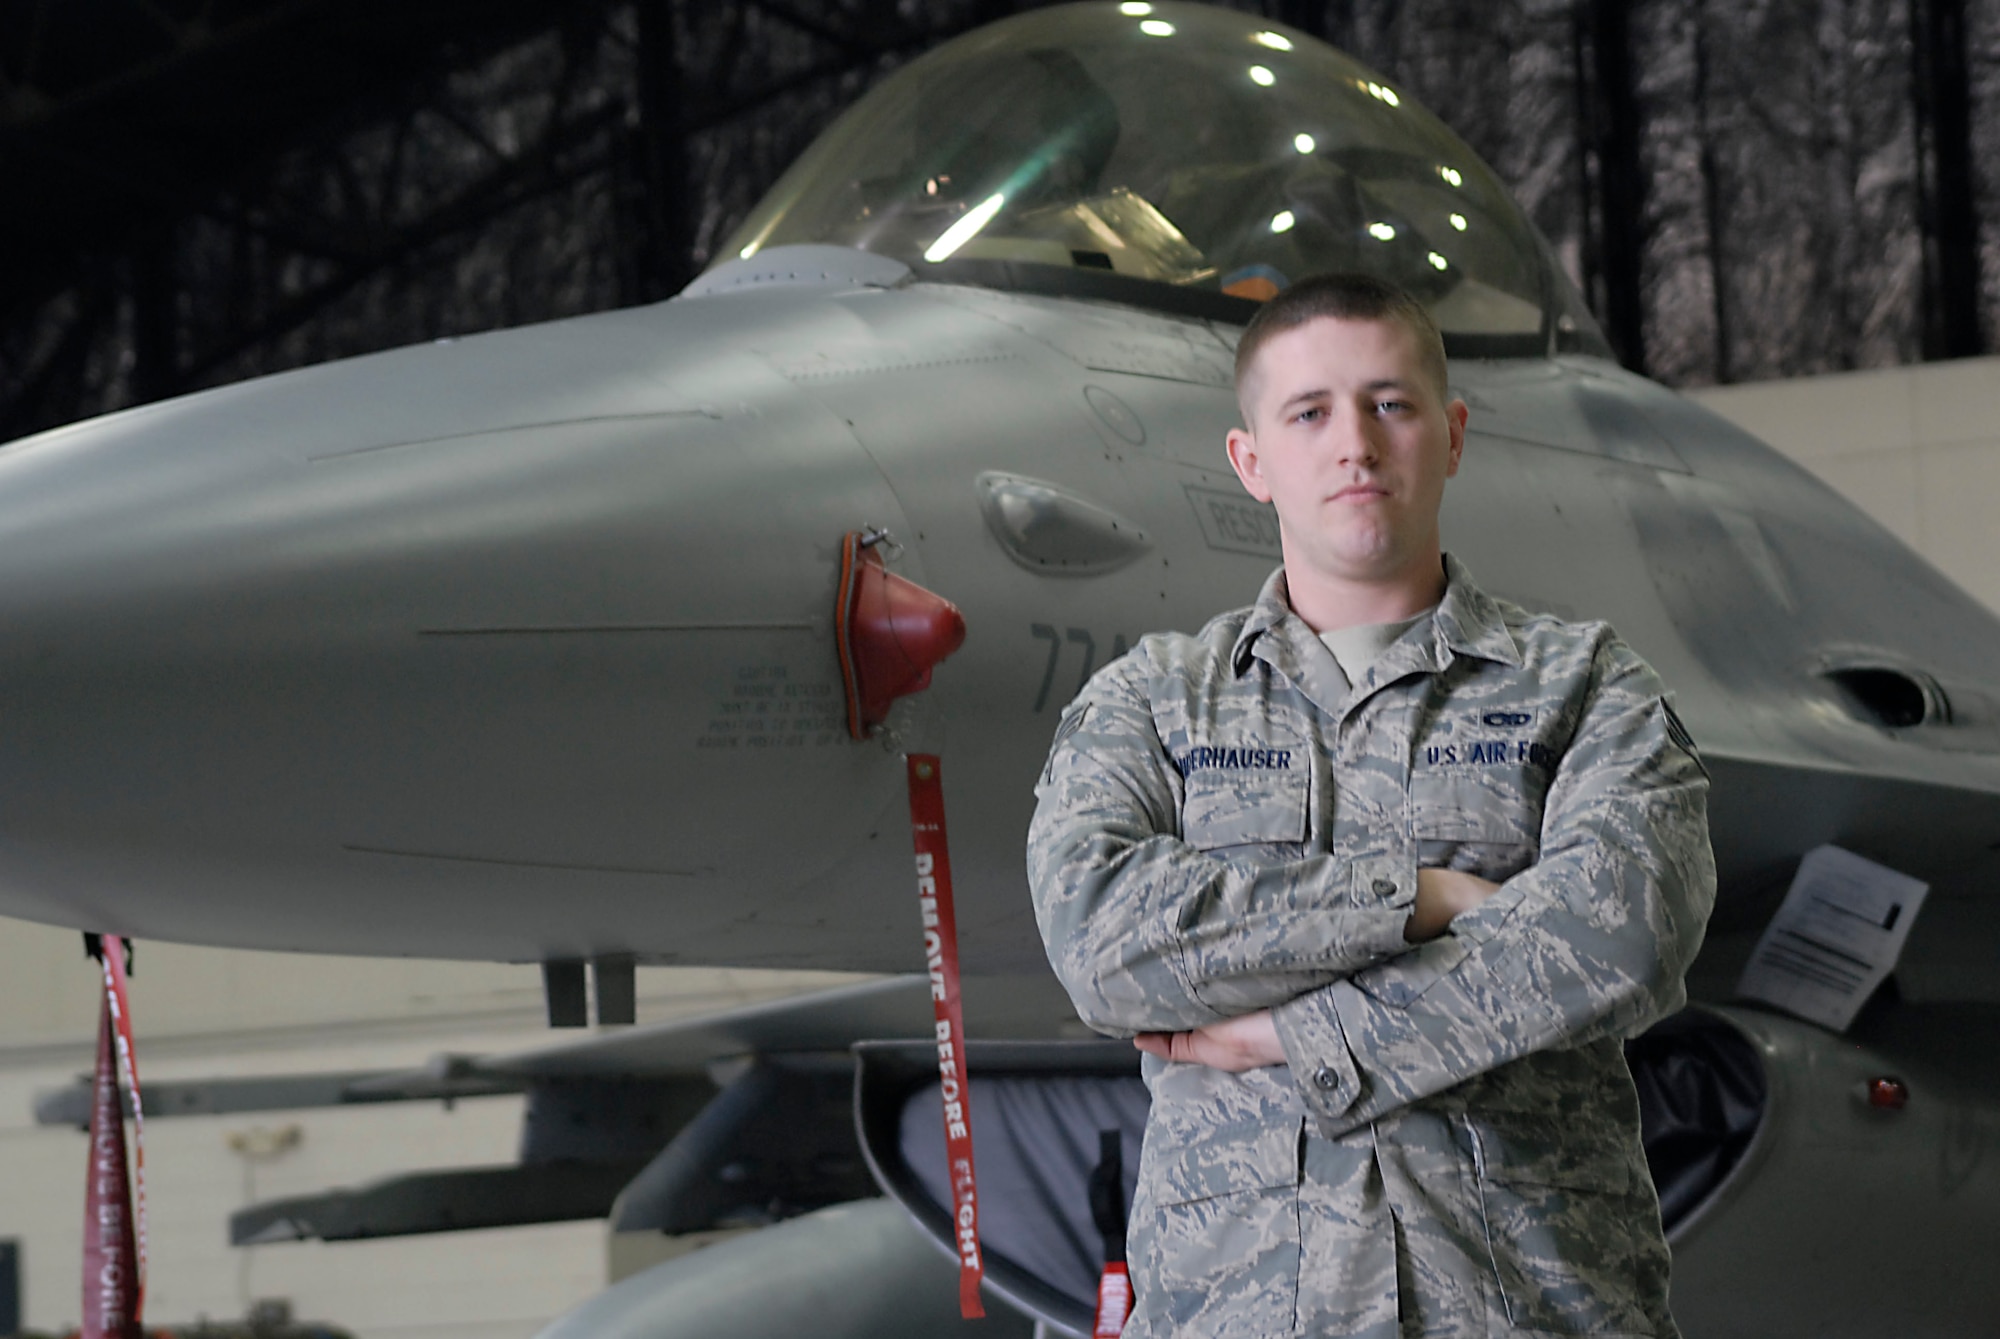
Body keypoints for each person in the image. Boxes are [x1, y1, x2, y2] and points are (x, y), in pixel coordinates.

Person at [1026, 272, 1715, 1338]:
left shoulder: (1582, 685)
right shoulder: (1151, 703)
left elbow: (1623, 932)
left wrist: (1297, 1032)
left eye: (1388, 403)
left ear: (1450, 433)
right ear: (1249, 462)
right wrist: (1423, 896)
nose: (1353, 442)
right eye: (1308, 412)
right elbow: (1100, 942)